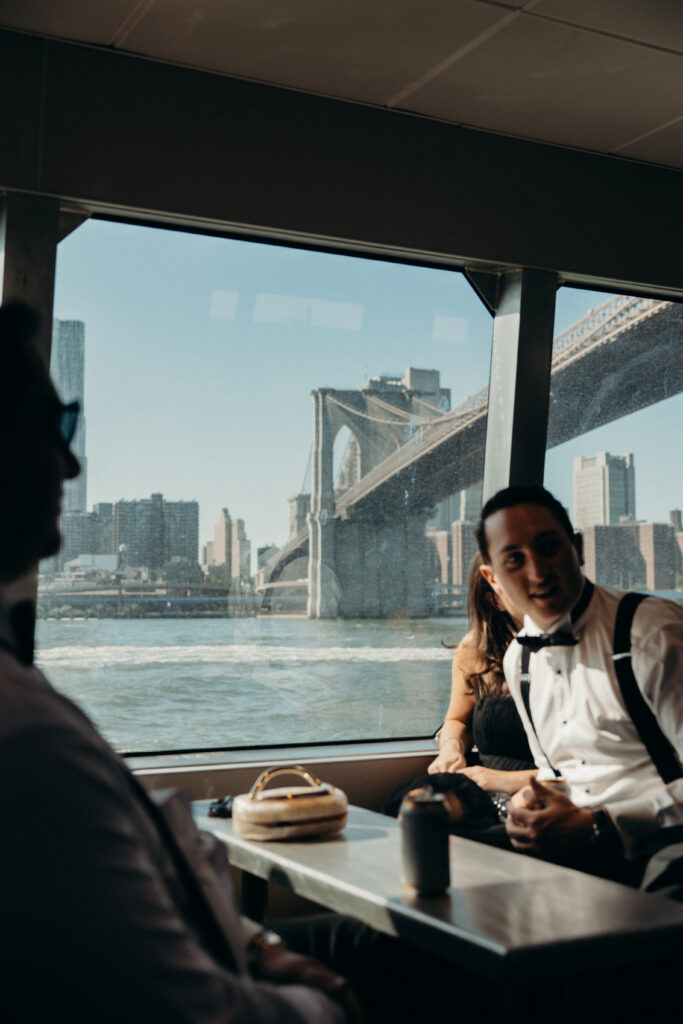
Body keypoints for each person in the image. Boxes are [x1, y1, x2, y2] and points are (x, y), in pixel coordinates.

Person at [0, 302, 360, 1023]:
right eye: (53, 425)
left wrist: (257, 948)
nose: (70, 460)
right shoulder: (27, 745)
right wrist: (329, 1009)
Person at [476, 484, 683, 887]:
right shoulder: (519, 660)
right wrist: (529, 806)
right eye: (514, 559)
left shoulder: (653, 633)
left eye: (549, 547)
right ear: (493, 579)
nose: (537, 573)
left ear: (578, 548)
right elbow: (555, 774)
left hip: (661, 848)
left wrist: (602, 823)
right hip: (571, 845)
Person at [428, 553, 536, 796]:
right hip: (483, 789)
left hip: (545, 794)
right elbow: (457, 720)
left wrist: (503, 780)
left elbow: (593, 770)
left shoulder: (578, 651)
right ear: (494, 598)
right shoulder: (474, 651)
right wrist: (451, 750)